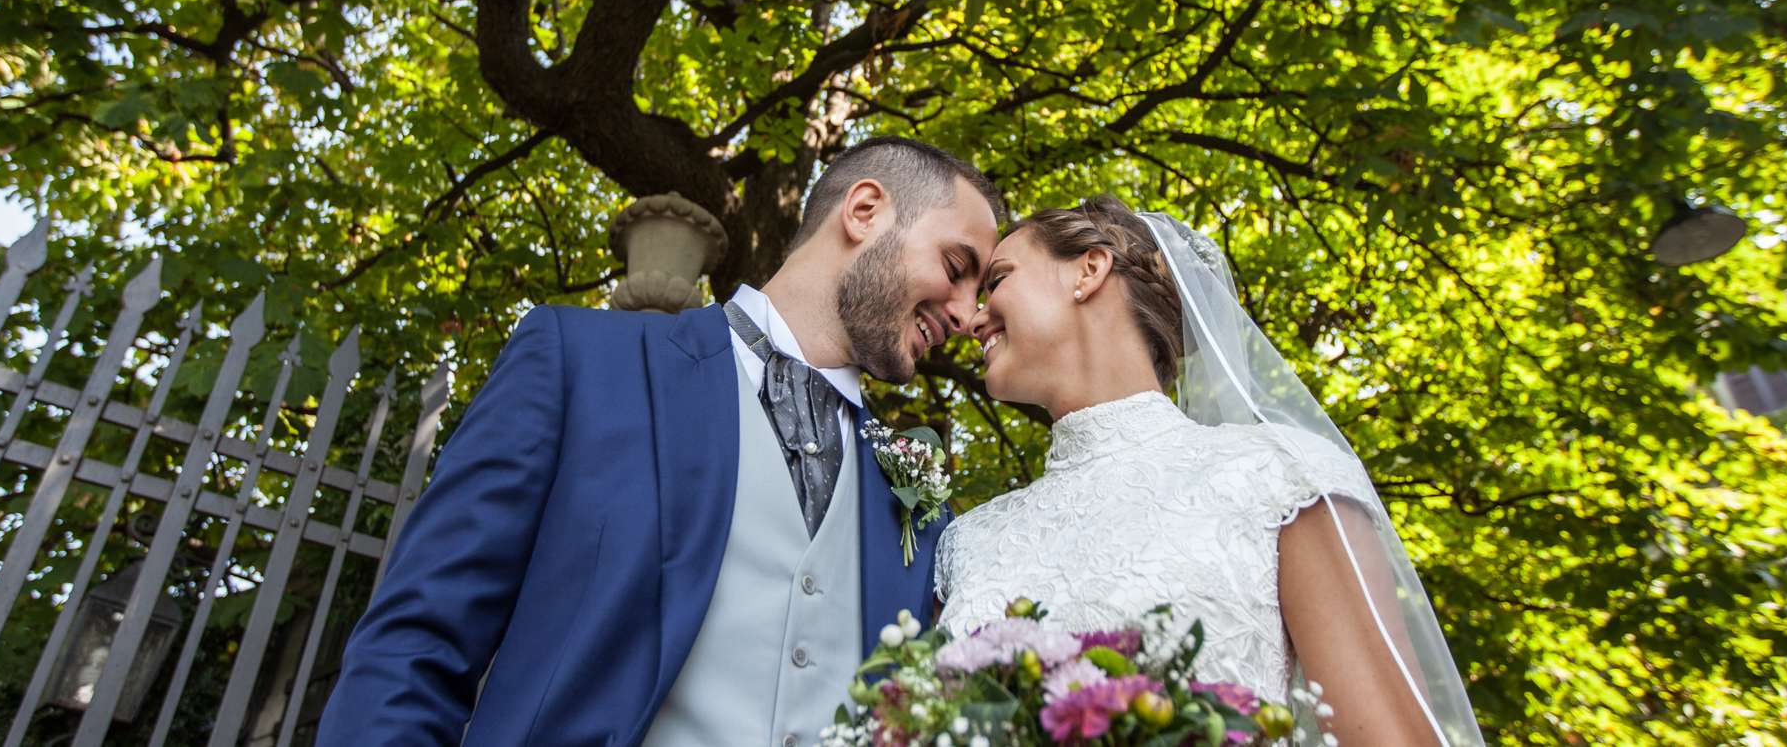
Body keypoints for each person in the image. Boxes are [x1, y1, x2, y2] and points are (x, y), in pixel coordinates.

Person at [318, 136, 1005, 747]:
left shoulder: (913, 496)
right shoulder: (579, 362)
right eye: (956, 266)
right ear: (864, 212)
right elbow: (419, 642)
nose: (968, 314)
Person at [938, 196, 1484, 746]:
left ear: (1091, 268)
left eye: (999, 280)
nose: (973, 317)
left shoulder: (1280, 477)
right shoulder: (969, 540)